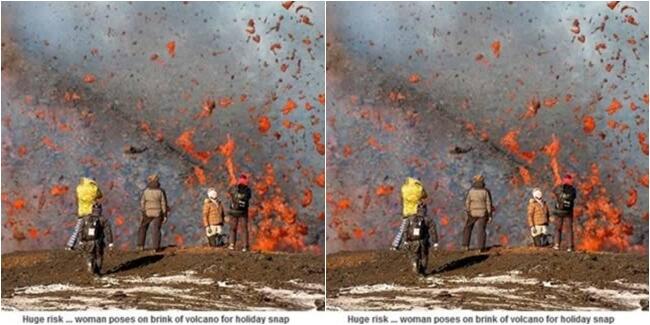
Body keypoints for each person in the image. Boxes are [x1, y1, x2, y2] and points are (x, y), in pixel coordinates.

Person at [391, 177, 428, 250]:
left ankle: (395, 245)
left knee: (403, 229)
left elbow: (401, 198)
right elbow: (425, 195)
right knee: (416, 229)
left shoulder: (404, 188)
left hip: (406, 212)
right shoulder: (419, 188)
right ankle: (415, 246)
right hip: (415, 212)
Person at [66, 177, 103, 250]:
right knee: (92, 229)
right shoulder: (94, 188)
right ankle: (91, 246)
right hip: (91, 212)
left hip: (82, 212)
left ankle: (70, 245)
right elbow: (100, 195)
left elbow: (76, 199)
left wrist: (77, 210)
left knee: (78, 229)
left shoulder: (79, 188)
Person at [78, 203, 113, 276]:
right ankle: (97, 271)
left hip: (87, 242)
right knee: (99, 256)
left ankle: (90, 264)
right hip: (98, 242)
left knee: (89, 255)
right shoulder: (103, 219)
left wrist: (80, 240)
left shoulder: (85, 218)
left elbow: (80, 230)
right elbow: (108, 232)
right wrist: (110, 242)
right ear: (100, 210)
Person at [462, 175, 493, 252]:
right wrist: (489, 215)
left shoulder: (471, 191)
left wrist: (468, 211)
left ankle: (465, 245)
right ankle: (480, 247)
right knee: (481, 230)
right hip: (482, 213)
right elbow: (488, 204)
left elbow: (467, 202)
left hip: (472, 213)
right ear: (483, 182)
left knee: (468, 227)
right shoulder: (485, 191)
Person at [138, 174, 168, 252]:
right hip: (158, 212)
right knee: (156, 230)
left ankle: (140, 245)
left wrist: (143, 211)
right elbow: (163, 203)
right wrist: (165, 215)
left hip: (147, 212)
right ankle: (155, 247)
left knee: (143, 227)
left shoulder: (145, 191)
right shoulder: (161, 191)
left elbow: (142, 202)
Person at [403, 203, 431, 275]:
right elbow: (432, 230)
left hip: (412, 241)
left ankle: (415, 264)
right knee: (424, 255)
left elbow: (405, 230)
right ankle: (423, 270)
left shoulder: (410, 219)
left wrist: (406, 240)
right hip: (423, 242)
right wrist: (435, 242)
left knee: (414, 254)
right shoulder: (427, 219)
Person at [553, 174, 577, 251]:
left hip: (558, 211)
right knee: (569, 229)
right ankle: (569, 246)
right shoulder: (573, 189)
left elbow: (554, 191)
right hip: (568, 212)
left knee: (558, 228)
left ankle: (556, 245)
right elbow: (574, 197)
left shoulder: (559, 188)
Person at [228, 174, 252, 251]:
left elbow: (229, 192)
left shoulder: (234, 188)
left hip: (234, 211)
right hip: (243, 212)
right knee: (244, 229)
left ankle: (231, 244)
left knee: (233, 228)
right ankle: (244, 246)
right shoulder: (248, 190)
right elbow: (249, 197)